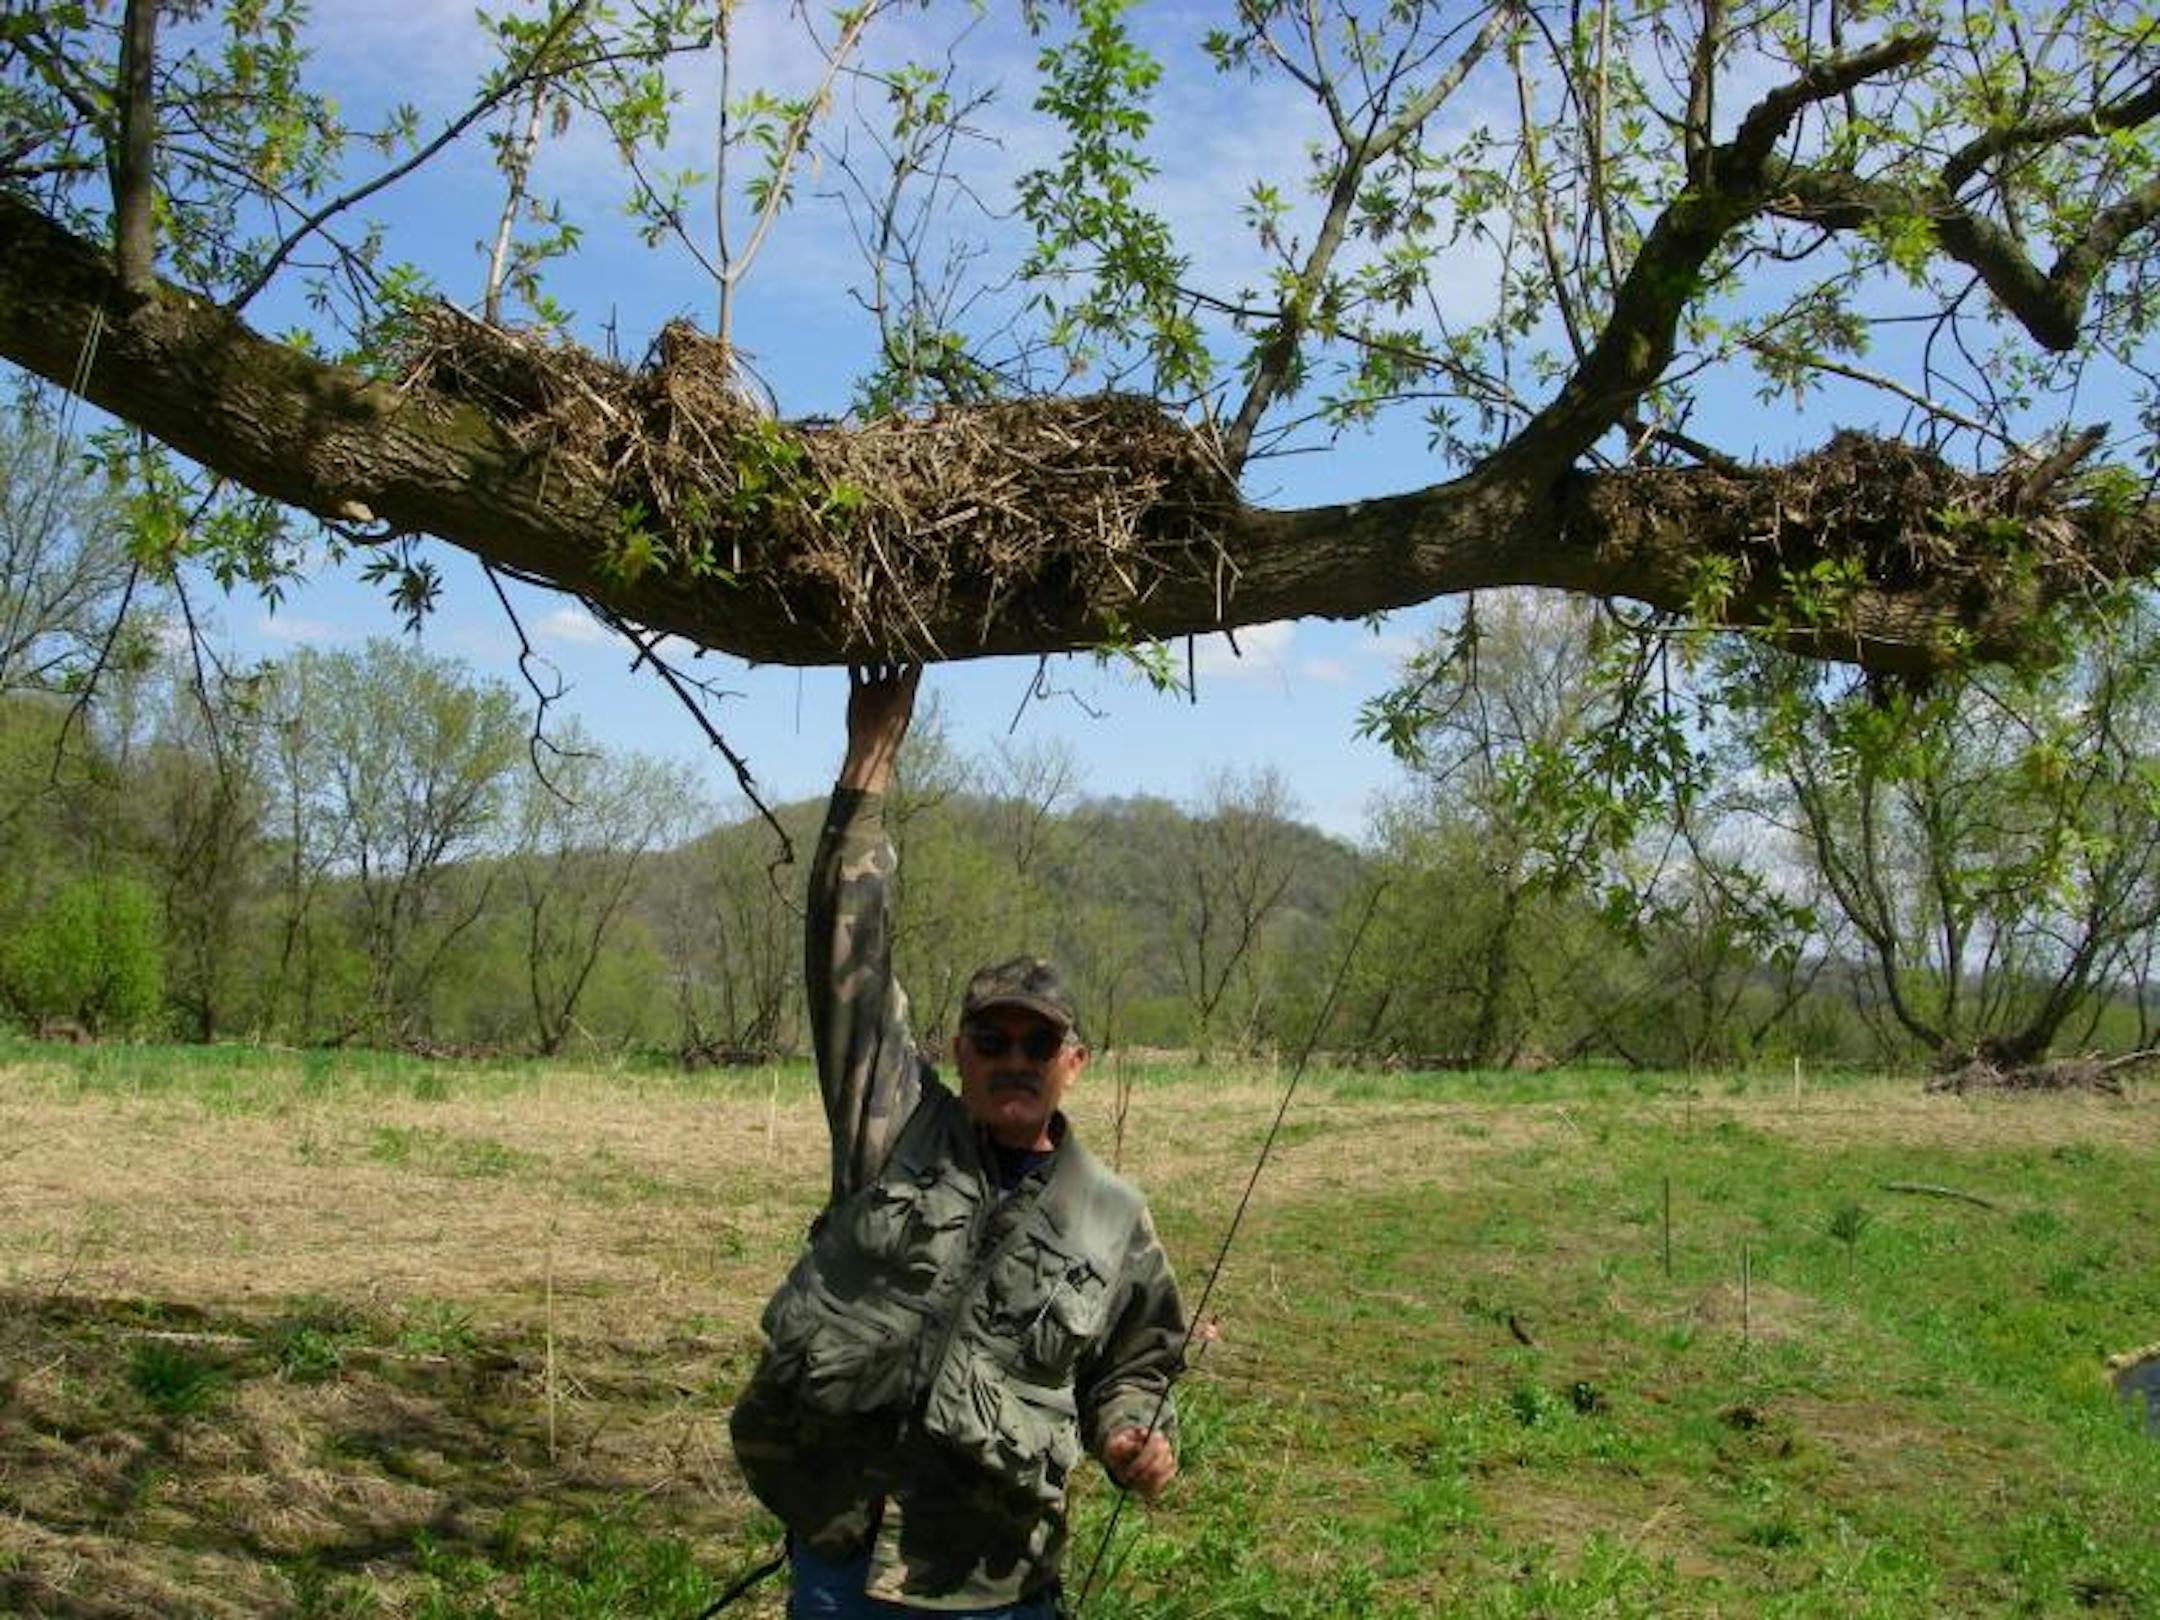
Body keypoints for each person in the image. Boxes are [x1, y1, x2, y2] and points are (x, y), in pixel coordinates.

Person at [731, 664, 1187, 1619]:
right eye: (993, 1038)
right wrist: (868, 766)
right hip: (840, 1550)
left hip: (991, 1579)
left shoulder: (1114, 1217)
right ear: (959, 1050)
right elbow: (847, 969)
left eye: (1038, 1042)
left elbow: (1137, 1361)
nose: (1014, 1057)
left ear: (1078, 1061)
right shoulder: (896, 1125)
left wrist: (1133, 1435)